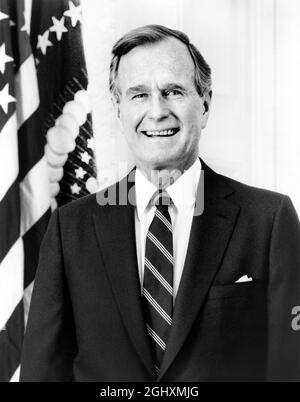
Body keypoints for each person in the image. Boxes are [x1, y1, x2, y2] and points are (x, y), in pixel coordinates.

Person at [20, 24, 300, 382]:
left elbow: (291, 368)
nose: (157, 111)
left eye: (173, 91)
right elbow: (42, 373)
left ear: (205, 104)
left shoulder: (269, 221)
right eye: (138, 95)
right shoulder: (70, 228)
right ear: (118, 108)